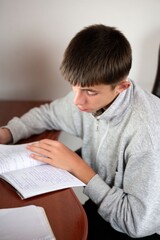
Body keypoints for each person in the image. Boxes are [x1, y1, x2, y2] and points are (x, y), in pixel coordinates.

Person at [0, 24, 160, 239]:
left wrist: (77, 167)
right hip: (101, 204)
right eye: (73, 87)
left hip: (130, 227)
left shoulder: (147, 136)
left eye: (89, 92)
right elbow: (48, 113)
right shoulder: (90, 97)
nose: (77, 101)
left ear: (122, 86)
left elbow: (136, 224)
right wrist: (8, 132)